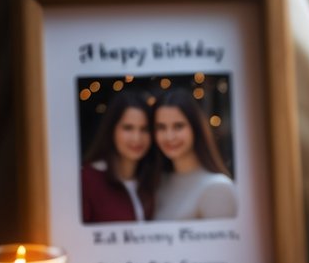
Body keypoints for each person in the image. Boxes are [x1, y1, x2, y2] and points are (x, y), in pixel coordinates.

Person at [152, 88, 238, 220]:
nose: (169, 136)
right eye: (161, 127)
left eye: (178, 126)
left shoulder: (218, 188)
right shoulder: (158, 183)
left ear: (195, 128)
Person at [80, 90, 157, 223]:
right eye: (128, 128)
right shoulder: (87, 181)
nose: (136, 138)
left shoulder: (151, 182)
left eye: (144, 129)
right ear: (111, 130)